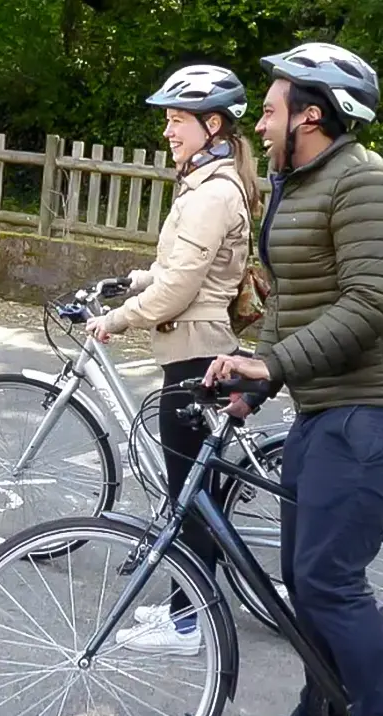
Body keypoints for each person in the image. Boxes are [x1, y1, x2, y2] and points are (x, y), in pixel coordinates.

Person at [203, 43, 383, 716]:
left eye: (271, 111)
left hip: (371, 411)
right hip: (324, 410)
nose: (261, 124)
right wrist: (256, 385)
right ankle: (321, 710)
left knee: (330, 580)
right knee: (305, 581)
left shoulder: (369, 183)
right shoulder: (299, 185)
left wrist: (274, 364)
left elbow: (369, 304)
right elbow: (291, 301)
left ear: (309, 116)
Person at [83, 63, 262, 655]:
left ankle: (189, 623)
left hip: (196, 354)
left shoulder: (212, 194)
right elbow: (177, 269)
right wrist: (133, 280)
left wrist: (115, 319)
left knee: (192, 495)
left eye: (177, 119)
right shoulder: (206, 184)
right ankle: (187, 608)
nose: (168, 130)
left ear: (213, 125)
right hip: (193, 345)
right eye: (167, 119)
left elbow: (181, 289)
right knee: (192, 490)